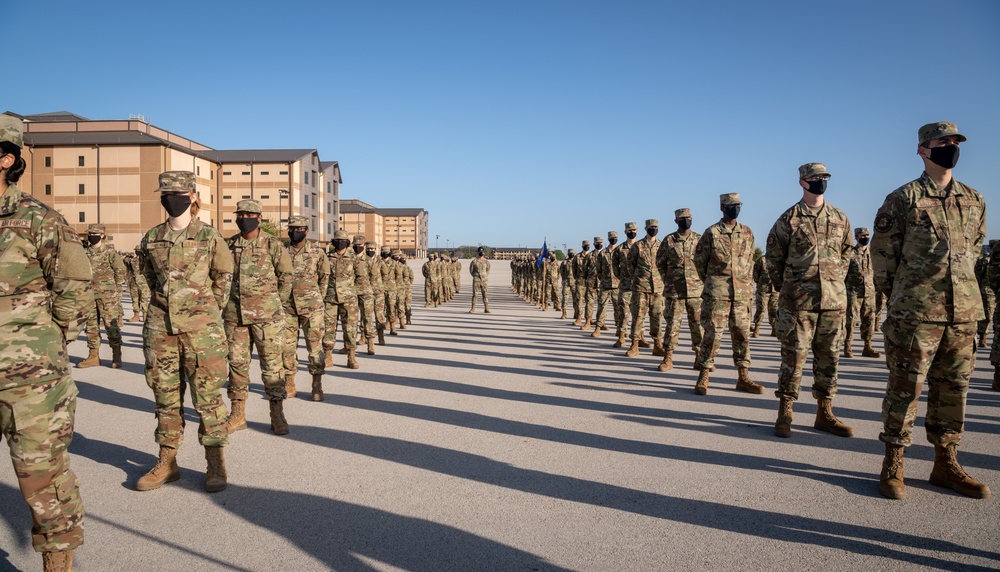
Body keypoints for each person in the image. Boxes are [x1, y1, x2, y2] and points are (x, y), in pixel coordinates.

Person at [871, 121, 990, 500]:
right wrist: (905, 298)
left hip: (963, 313)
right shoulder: (902, 199)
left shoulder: (975, 199)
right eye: (943, 142)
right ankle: (893, 463)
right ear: (923, 150)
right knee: (905, 391)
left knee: (953, 391)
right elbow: (882, 259)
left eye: (955, 141)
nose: (951, 146)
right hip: (916, 314)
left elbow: (974, 249)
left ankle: (946, 463)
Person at [0, 115, 91, 572]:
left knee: (42, 478)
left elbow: (74, 283)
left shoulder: (37, 219)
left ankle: (58, 562)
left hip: (30, 381)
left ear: (6, 158)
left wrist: (49, 341)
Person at [138, 170, 232, 493]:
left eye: (176, 194)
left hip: (201, 333)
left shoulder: (209, 237)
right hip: (160, 330)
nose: (169, 199)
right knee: (165, 396)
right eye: (165, 194)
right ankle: (167, 460)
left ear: (192, 197)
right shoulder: (151, 238)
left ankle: (215, 460)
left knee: (207, 398)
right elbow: (148, 277)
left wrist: (207, 311)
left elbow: (224, 276)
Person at [765, 164, 854, 438]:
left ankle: (824, 412)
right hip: (798, 303)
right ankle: (785, 412)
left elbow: (847, 253)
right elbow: (773, 259)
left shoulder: (840, 217)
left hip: (832, 303)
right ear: (802, 182)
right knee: (794, 358)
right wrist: (790, 287)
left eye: (825, 178)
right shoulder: (788, 219)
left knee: (830, 359)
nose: (821, 182)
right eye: (816, 178)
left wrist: (835, 280)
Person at [224, 200, 293, 435]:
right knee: (236, 365)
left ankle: (277, 412)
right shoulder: (229, 245)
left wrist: (275, 303)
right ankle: (237, 413)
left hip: (267, 317)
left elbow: (286, 276)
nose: (244, 218)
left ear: (259, 218)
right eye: (240, 214)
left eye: (249, 214)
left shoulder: (273, 244)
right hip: (235, 316)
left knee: (272, 366)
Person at [693, 195, 761, 395]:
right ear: (722, 207)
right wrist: (714, 282)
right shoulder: (712, 232)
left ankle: (743, 377)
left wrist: (744, 284)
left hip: (741, 295)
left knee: (742, 335)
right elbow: (699, 261)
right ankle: (703, 375)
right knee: (713, 335)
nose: (735, 208)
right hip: (717, 294)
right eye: (731, 206)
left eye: (738, 205)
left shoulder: (747, 232)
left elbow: (750, 262)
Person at [283, 216, 330, 401]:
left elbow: (324, 277)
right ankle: (289, 382)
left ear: (306, 230)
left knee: (315, 347)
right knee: (286, 347)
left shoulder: (317, 251)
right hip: (287, 307)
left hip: (312, 307)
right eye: (292, 228)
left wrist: (318, 297)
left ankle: (316, 384)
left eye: (300, 228)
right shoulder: (281, 250)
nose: (296, 231)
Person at [656, 208, 704, 371]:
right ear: (676, 221)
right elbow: (660, 263)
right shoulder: (669, 240)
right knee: (672, 325)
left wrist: (702, 282)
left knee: (698, 325)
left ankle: (699, 356)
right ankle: (668, 357)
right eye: (682, 218)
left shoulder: (699, 239)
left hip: (696, 291)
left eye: (688, 218)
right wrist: (667, 281)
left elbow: (706, 262)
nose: (686, 220)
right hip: (675, 291)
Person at [78, 223, 127, 369]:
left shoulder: (110, 252)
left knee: (111, 326)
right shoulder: (84, 252)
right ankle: (93, 356)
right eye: (90, 234)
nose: (92, 237)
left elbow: (120, 270)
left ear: (102, 235)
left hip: (107, 296)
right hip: (89, 295)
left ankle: (116, 355)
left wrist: (115, 290)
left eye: (95, 234)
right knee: (91, 326)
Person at [325, 230, 363, 369]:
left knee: (350, 328)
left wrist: (353, 293)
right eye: (337, 240)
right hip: (330, 298)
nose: (340, 242)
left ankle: (351, 357)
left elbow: (361, 277)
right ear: (333, 242)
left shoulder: (354, 258)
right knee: (328, 328)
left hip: (349, 299)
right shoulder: (327, 257)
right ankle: (328, 355)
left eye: (343, 240)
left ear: (347, 242)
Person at [625, 220, 663, 357]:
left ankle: (658, 344)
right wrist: (637, 279)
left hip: (658, 288)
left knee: (657, 317)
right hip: (641, 287)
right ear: (645, 228)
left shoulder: (661, 245)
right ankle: (634, 344)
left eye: (655, 227)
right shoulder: (638, 245)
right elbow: (630, 265)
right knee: (638, 317)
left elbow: (665, 265)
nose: (653, 229)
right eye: (651, 227)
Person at [845, 227, 880, 358]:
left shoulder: (872, 254)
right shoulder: (850, 254)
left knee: (870, 319)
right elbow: (843, 273)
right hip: (853, 291)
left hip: (869, 292)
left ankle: (867, 346)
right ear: (856, 238)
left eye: (867, 236)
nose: (865, 238)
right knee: (851, 320)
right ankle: (847, 346)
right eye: (862, 236)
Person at [612, 223, 638, 348]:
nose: (632, 232)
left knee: (639, 314)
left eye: (633, 230)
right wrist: (622, 278)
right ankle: (622, 337)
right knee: (623, 312)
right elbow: (615, 267)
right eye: (629, 230)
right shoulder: (620, 249)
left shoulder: (640, 246)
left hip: (640, 286)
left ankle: (639, 337)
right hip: (625, 285)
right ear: (625, 232)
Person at [353, 235, 377, 355]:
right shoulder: (349, 259)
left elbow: (374, 277)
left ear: (364, 246)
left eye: (360, 245)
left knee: (367, 318)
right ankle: (350, 346)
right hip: (351, 293)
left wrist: (370, 289)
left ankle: (370, 344)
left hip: (366, 293)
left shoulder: (369, 260)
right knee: (351, 321)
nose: (358, 247)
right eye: (356, 245)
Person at [592, 232, 619, 336]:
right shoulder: (603, 253)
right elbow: (598, 270)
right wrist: (603, 278)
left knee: (618, 308)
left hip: (617, 285)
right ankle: (598, 327)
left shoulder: (619, 251)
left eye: (615, 238)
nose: (613, 239)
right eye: (612, 238)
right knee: (602, 306)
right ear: (608, 239)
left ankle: (619, 329)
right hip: (605, 284)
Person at [751, 256, 777, 337]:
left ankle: (774, 329)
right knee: (761, 309)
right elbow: (755, 273)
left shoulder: (780, 258)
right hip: (763, 288)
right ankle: (757, 329)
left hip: (776, 289)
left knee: (774, 309)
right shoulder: (762, 259)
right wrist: (759, 282)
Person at [974, 241, 994, 348]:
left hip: (995, 291)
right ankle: (983, 337)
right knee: (988, 315)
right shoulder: (986, 260)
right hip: (988, 291)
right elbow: (978, 275)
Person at [126, 244, 150, 322]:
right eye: (136, 251)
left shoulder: (147, 260)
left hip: (144, 283)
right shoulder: (132, 260)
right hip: (134, 282)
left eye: (139, 251)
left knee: (144, 300)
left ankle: (145, 316)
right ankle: (136, 315)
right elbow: (128, 270)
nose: (137, 252)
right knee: (135, 299)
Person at [470, 246, 491, 313]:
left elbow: (488, 270)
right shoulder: (474, 261)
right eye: (480, 252)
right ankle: (473, 308)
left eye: (482, 252)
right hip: (476, 280)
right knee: (475, 294)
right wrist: (475, 276)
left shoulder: (486, 262)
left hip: (484, 280)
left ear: (484, 253)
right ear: (478, 253)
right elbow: (471, 270)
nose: (481, 253)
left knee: (485, 294)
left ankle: (486, 308)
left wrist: (484, 275)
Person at [560, 249, 576, 320]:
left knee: (576, 299)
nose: (571, 254)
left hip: (575, 283)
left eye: (572, 253)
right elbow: (561, 272)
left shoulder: (576, 262)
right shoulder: (564, 262)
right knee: (565, 298)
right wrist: (564, 280)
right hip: (566, 282)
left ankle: (576, 313)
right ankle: (564, 313)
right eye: (570, 253)